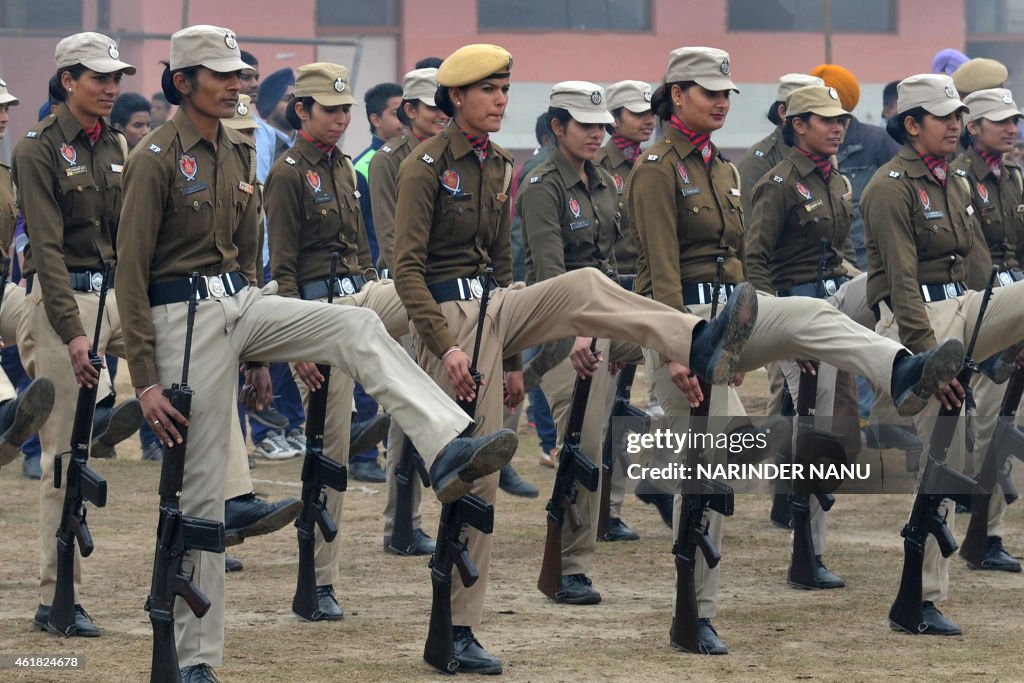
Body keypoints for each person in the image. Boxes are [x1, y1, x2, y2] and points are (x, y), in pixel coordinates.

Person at [116, 26, 517, 681]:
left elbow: (246, 255)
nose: (236, 83)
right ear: (182, 81)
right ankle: (194, 659)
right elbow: (130, 272)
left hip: (241, 304)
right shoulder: (158, 155)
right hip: (181, 319)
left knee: (354, 329)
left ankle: (445, 440)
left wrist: (253, 349)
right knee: (201, 492)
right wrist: (145, 381)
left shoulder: (237, 150)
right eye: (219, 73)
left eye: (239, 72)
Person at [393, 42, 768, 674]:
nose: (499, 101)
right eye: (488, 90)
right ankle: (456, 629)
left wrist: (512, 356)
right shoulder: (426, 165)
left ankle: (691, 337)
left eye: (505, 89)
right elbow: (407, 270)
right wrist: (448, 345)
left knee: (590, 283)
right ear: (455, 97)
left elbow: (506, 267)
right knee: (477, 478)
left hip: (497, 308)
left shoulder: (497, 165)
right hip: (447, 320)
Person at [627, 46, 966, 655]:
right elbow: (659, 268)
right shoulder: (655, 167)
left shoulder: (721, 167)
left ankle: (902, 370)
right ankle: (694, 611)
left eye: (728, 93)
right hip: (683, 325)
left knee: (813, 315)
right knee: (715, 469)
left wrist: (763, 322)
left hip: (735, 313)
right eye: (710, 92)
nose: (723, 101)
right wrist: (677, 346)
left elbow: (737, 264)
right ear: (677, 94)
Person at [861, 73, 1024, 635]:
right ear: (911, 124)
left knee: (956, 450)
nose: (955, 124)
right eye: (943, 116)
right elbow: (901, 286)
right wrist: (932, 360)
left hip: (966, 312)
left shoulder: (953, 180)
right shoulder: (889, 186)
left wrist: (999, 332)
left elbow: (979, 267)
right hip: (918, 325)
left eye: (959, 115)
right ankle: (920, 598)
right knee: (944, 460)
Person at [265, 60, 417, 616]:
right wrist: (298, 340)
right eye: (330, 110)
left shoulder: (344, 170)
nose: (341, 119)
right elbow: (280, 266)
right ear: (302, 110)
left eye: (346, 110)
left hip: (356, 297)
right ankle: (318, 581)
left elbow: (357, 249)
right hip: (314, 311)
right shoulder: (285, 173)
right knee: (327, 453)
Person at [12, 31, 143, 638]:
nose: (112, 88)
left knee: (179, 372)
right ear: (68, 81)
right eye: (100, 78)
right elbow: (46, 249)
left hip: (113, 297)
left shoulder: (117, 143)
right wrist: (71, 331)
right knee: (65, 458)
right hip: (61, 301)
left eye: (117, 78)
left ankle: (113, 412)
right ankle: (55, 597)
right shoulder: (36, 149)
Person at [745, 84, 861, 589]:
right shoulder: (779, 183)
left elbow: (837, 256)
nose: (836, 127)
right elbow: (755, 261)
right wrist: (781, 331)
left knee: (831, 425)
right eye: (824, 119)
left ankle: (812, 542)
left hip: (831, 306)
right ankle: (807, 554)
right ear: (797, 124)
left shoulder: (836, 181)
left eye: (841, 121)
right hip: (795, 312)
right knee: (813, 425)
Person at [366, 67, 445, 554]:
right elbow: (393, 241)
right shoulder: (388, 161)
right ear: (408, 111)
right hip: (407, 294)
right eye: (429, 106)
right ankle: (402, 520)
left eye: (445, 105)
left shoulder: (449, 155)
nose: (440, 114)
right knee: (407, 408)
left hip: (447, 294)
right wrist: (417, 298)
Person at [949, 87, 1024, 572]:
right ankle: (984, 532)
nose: (1011, 129)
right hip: (984, 313)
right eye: (999, 121)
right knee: (988, 422)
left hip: (1018, 305)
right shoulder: (956, 180)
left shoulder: (1014, 177)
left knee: (1008, 423)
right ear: (972, 128)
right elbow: (970, 259)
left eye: (1014, 120)